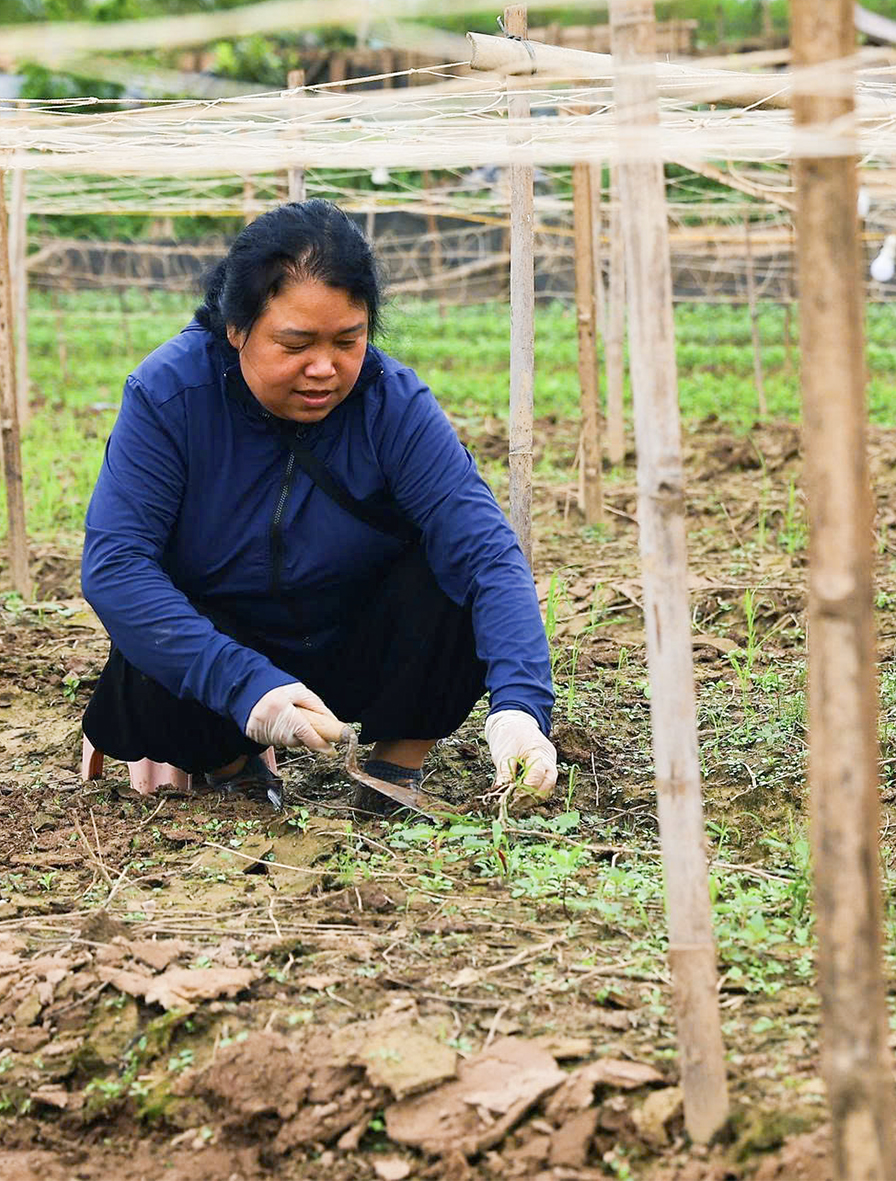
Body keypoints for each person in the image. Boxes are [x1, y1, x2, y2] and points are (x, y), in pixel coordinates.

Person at [79, 199, 557, 810]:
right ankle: (234, 765)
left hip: (352, 636)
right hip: (228, 641)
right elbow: (116, 567)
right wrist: (251, 689)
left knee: (449, 575)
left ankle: (393, 769)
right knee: (152, 650)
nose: (324, 368)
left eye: (347, 340)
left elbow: (488, 553)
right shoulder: (172, 395)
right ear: (236, 329)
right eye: (295, 343)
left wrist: (519, 710)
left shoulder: (392, 405)